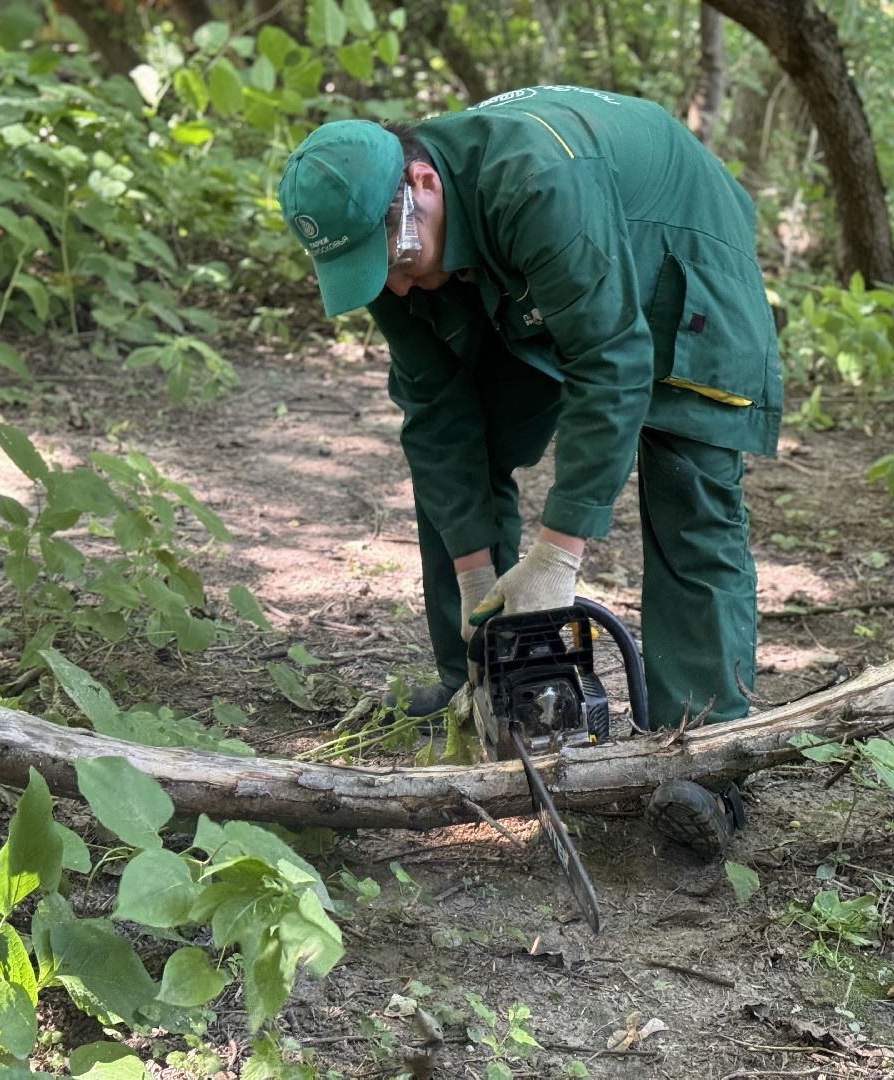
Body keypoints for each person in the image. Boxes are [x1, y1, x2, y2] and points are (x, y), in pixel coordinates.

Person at [279, 85, 781, 858]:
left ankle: (705, 757)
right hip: (530, 277)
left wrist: (557, 557)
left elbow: (611, 365)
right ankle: (483, 685)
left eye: (401, 261)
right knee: (460, 449)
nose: (400, 287)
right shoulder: (391, 247)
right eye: (376, 276)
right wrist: (481, 584)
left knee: (688, 488)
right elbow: (436, 415)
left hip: (675, 243)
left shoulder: (535, 182)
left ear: (423, 184)